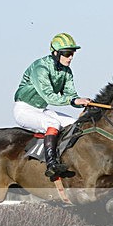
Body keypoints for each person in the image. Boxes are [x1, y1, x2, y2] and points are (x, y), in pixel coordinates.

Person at [14, 32, 92, 179]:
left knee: (76, 124)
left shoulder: (67, 71)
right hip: (23, 109)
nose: (71, 57)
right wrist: (74, 101)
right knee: (53, 123)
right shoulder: (40, 68)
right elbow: (48, 96)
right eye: (67, 53)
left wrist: (82, 101)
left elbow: (71, 95)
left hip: (41, 110)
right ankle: (51, 164)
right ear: (56, 53)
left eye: (72, 53)